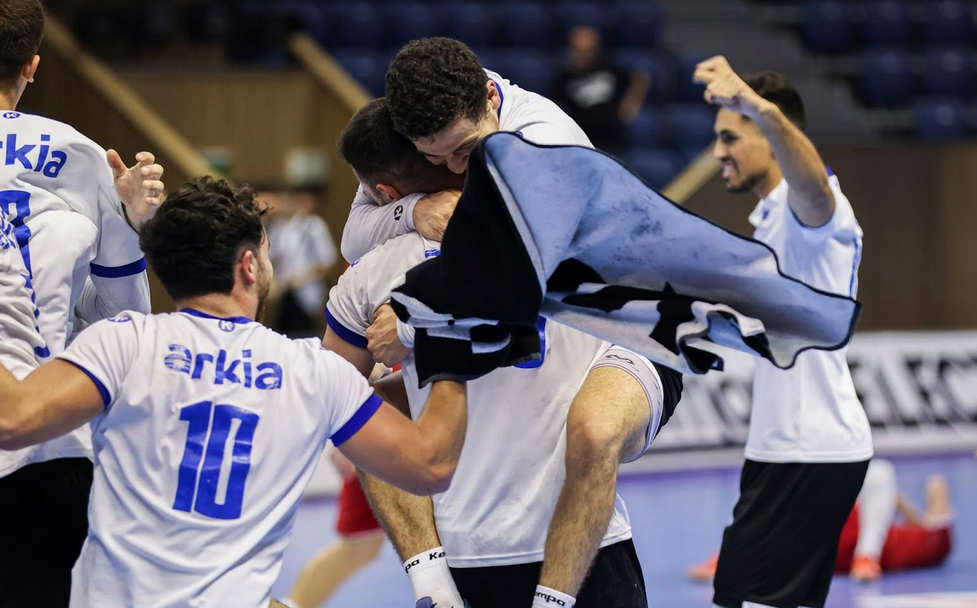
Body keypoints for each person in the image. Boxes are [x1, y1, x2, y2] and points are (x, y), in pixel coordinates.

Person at [0, 176, 470, 608]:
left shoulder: (124, 342)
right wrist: (445, 345)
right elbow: (429, 465)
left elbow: (12, 420)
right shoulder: (315, 371)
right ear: (248, 266)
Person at [333, 97, 682, 608]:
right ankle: (450, 587)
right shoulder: (545, 217)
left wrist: (409, 325)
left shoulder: (374, 271)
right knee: (369, 407)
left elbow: (335, 384)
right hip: (561, 542)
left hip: (641, 330)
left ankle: (444, 582)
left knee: (364, 408)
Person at [0, 1, 165, 604]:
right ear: (32, 65)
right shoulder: (77, 153)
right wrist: (131, 225)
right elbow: (124, 321)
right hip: (45, 441)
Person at [693, 56, 872, 608]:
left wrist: (758, 107)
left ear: (773, 139)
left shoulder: (811, 213)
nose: (718, 152)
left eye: (730, 136)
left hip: (808, 450)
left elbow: (813, 189)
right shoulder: (772, 220)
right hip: (786, 450)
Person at [688, 460, 954, 583]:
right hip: (839, 546)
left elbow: (935, 487)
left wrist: (918, 518)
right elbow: (900, 494)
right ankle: (866, 558)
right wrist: (917, 518)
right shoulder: (921, 540)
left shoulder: (929, 543)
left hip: (827, 545)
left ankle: (728, 558)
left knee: (771, 483)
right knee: (878, 475)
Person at [550, 26, 650, 151]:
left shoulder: (609, 69)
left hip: (614, 138)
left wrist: (631, 105)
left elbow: (640, 78)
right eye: (579, 50)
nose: (584, 55)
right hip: (583, 141)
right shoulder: (563, 78)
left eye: (588, 50)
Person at [266, 185, 338, 338]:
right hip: (283, 290)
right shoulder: (280, 227)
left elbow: (327, 262)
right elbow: (273, 257)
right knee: (281, 332)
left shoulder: (314, 225)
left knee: (303, 332)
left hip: (305, 291)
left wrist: (300, 278)